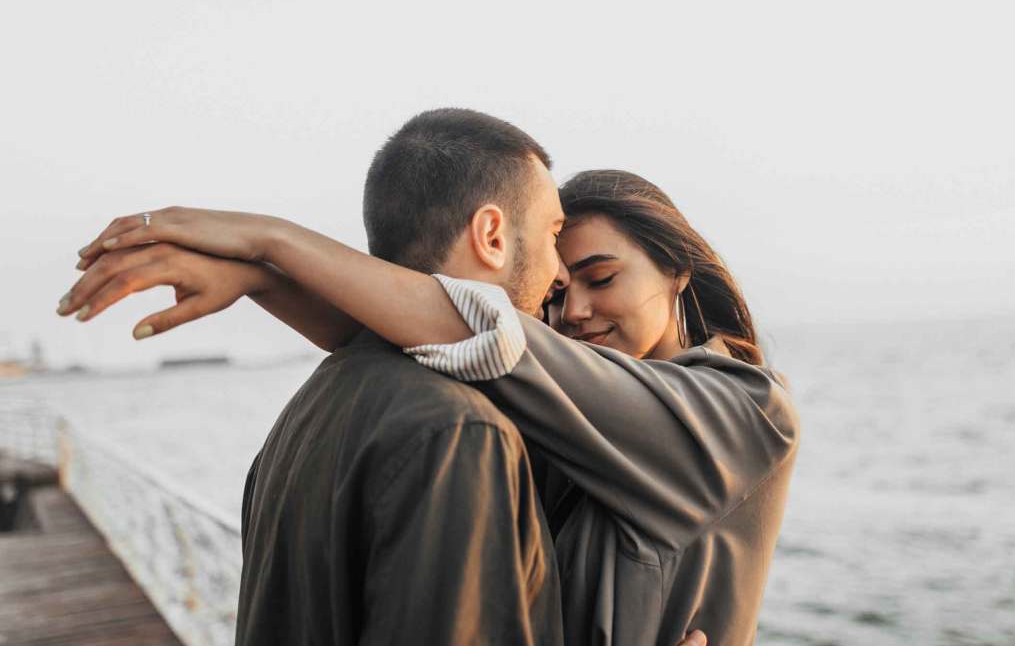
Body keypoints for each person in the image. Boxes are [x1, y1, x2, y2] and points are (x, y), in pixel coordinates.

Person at [64, 108, 796, 646]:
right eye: (561, 277)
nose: (568, 307)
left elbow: (483, 333)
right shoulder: (518, 416)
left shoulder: (746, 410)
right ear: (491, 234)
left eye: (600, 278)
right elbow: (418, 336)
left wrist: (270, 243)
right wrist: (261, 276)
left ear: (676, 269)